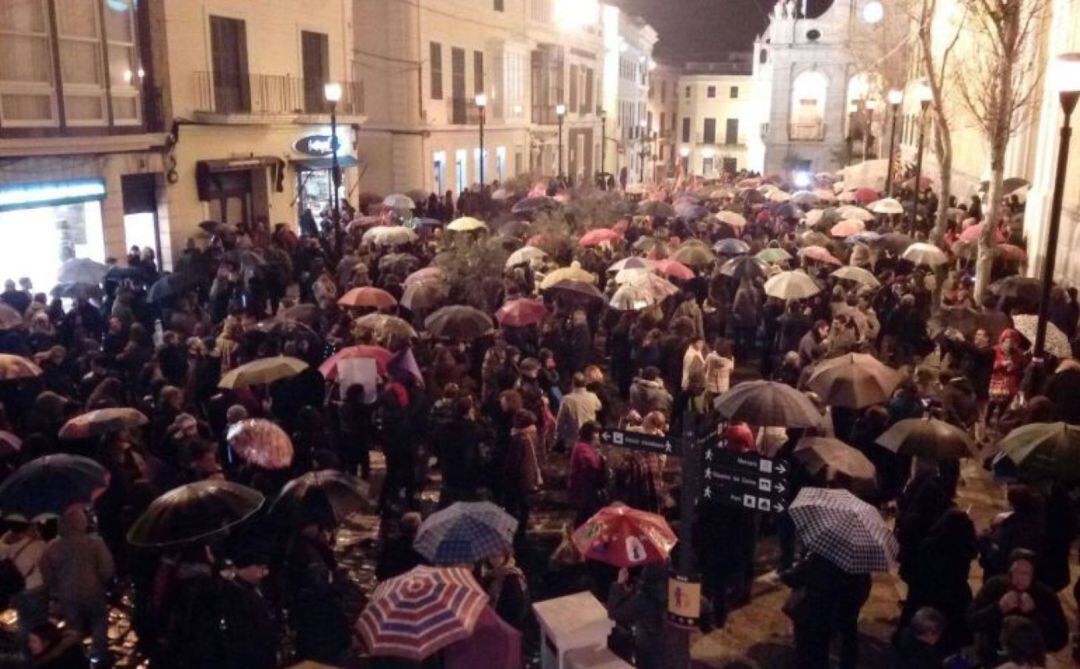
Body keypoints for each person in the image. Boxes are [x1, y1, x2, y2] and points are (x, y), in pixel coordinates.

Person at [40, 507, 114, 665]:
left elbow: (47, 574)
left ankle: (78, 655)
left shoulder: (51, 547)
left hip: (66, 593)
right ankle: (98, 653)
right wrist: (103, 582)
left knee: (73, 625)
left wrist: (56, 589)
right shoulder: (94, 543)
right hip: (93, 589)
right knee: (99, 619)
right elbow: (107, 568)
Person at [968, 549, 1067, 667]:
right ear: (1009, 572)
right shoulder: (994, 586)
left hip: (1029, 661)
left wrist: (1033, 613)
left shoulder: (1045, 595)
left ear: (1033, 574)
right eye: (1016, 572)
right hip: (993, 655)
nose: (1020, 578)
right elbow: (970, 622)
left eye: (1025, 573)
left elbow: (1059, 640)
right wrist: (998, 608)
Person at [781, 550, 872, 669]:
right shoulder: (861, 562)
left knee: (812, 649)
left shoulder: (822, 556)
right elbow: (863, 589)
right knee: (846, 639)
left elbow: (794, 578)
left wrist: (785, 574)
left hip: (819, 612)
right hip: (844, 611)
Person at [568, 421, 607, 526]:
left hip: (585, 491)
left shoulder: (585, 446)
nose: (598, 436)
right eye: (596, 432)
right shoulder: (582, 448)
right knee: (585, 519)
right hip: (583, 492)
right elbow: (592, 464)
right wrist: (601, 457)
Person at [482, 548, 529, 631]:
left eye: (498, 556)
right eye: (491, 556)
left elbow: (515, 605)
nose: (494, 560)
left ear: (505, 556)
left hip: (506, 622)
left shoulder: (512, 576)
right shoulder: (491, 574)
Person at [556, 372, 602, 452]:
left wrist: (558, 436)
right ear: (585, 383)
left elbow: (560, 420)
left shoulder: (566, 399)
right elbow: (599, 407)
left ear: (573, 384)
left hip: (573, 437)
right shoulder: (592, 396)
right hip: (591, 434)